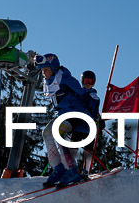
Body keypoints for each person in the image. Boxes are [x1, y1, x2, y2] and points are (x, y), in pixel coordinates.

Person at [35, 54, 94, 187]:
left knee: (57, 132)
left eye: (46, 70)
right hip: (64, 115)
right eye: (42, 71)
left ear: (54, 67)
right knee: (47, 132)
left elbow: (84, 94)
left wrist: (93, 117)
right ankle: (59, 167)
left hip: (76, 116)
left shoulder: (66, 79)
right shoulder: (51, 83)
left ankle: (72, 169)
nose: (44, 74)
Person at [79, 70, 102, 176]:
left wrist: (99, 119)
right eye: (86, 81)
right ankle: (69, 169)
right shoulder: (79, 93)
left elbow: (96, 111)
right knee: (73, 146)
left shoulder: (95, 97)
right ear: (82, 81)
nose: (88, 83)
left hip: (89, 126)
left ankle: (86, 170)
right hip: (78, 124)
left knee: (89, 148)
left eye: (91, 81)